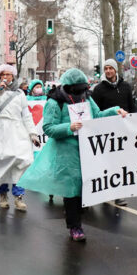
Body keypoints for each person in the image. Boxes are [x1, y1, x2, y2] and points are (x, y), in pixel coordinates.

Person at [19, 69, 128, 241]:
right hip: (66, 152)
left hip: (87, 149)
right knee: (71, 191)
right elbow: (48, 127)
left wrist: (115, 110)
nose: (81, 92)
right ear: (69, 87)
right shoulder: (55, 102)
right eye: (78, 89)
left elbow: (97, 115)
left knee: (84, 188)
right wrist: (68, 128)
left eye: (83, 89)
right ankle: (75, 227)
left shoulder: (86, 97)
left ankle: (76, 215)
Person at [0, 64, 40, 211]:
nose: (5, 77)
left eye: (8, 74)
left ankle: (18, 196)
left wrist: (33, 133)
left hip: (16, 131)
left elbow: (26, 115)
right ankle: (3, 195)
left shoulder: (20, 94)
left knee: (20, 162)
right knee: (0, 163)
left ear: (13, 76)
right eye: (3, 74)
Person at [91, 59, 136, 207]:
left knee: (120, 164)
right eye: (106, 68)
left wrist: (134, 125)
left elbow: (132, 108)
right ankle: (104, 191)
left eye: (111, 68)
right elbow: (95, 112)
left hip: (123, 132)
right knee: (106, 164)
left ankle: (118, 195)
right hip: (105, 133)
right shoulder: (98, 90)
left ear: (116, 70)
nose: (108, 71)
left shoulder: (126, 87)